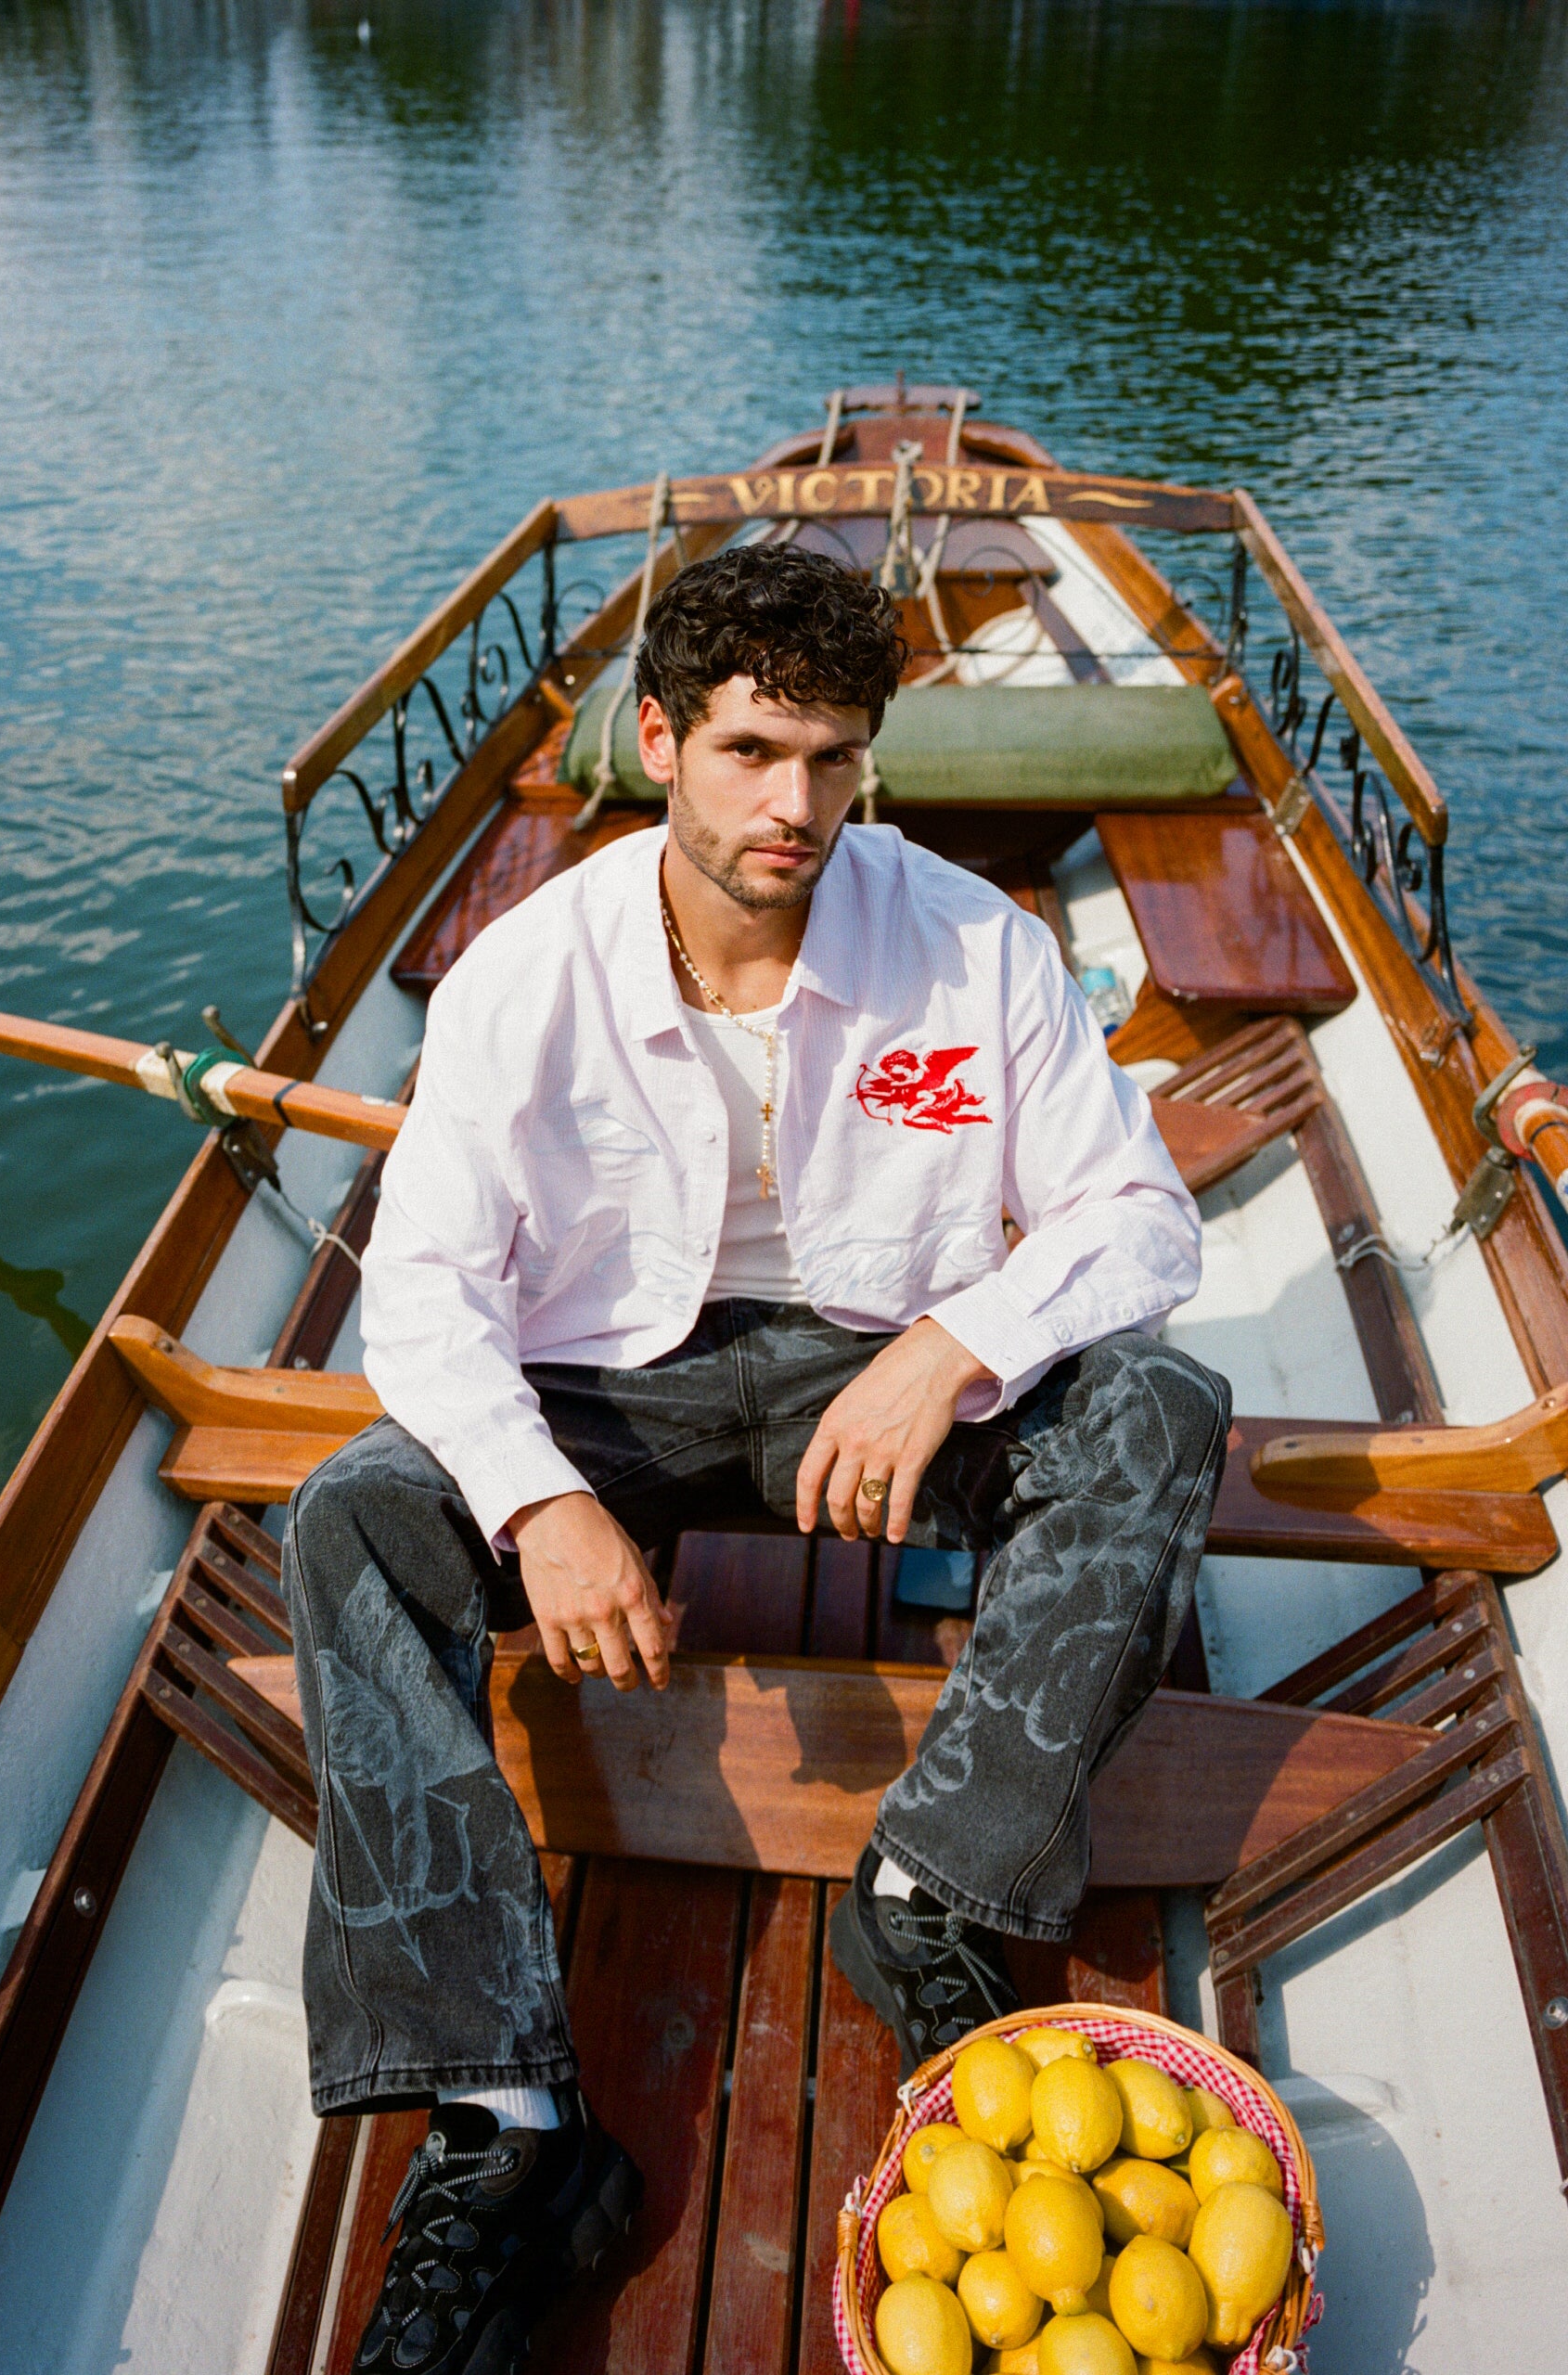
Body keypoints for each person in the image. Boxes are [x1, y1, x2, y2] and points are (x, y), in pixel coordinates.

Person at [282, 543, 1230, 2373]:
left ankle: (931, 1884)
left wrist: (954, 1345)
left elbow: (1140, 1216)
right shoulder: (520, 976)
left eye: (832, 758)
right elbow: (422, 1293)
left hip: (873, 1373)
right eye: (749, 752)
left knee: (1157, 1412)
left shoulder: (974, 942)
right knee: (354, 1514)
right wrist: (543, 1501)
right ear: (658, 741)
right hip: (608, 1389)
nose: (794, 804)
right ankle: (510, 2118)